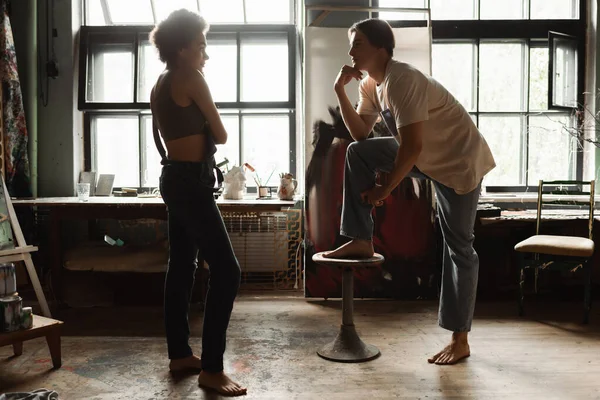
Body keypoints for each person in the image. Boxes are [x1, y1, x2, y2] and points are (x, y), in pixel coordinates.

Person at [325, 18, 496, 365]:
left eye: (356, 44)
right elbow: (361, 134)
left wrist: (382, 189)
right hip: (423, 157)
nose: (350, 51)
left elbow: (412, 147)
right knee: (357, 152)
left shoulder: (403, 78)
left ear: (380, 48)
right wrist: (339, 90)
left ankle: (459, 338)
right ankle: (361, 237)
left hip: (458, 163)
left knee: (459, 247)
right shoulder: (372, 85)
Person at [149, 9, 246, 396]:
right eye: (202, 44)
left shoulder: (160, 82)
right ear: (184, 47)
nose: (206, 52)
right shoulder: (192, 77)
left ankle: (179, 354)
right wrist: (208, 123)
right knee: (228, 270)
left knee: (182, 266)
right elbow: (220, 134)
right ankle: (211, 368)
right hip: (190, 183)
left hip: (173, 178)